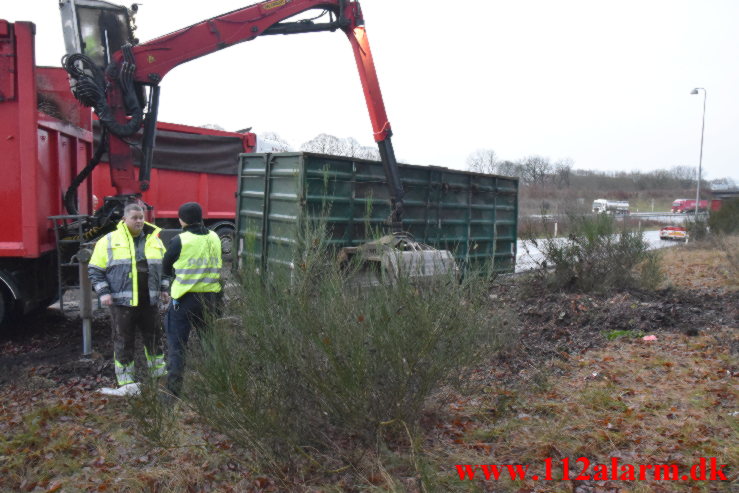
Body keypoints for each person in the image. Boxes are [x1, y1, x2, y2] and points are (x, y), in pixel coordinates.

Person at [88, 202, 168, 388]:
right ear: (125, 219)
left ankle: (159, 376)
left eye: (141, 217)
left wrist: (164, 289)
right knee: (124, 341)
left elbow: (164, 269)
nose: (139, 221)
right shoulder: (108, 240)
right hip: (122, 303)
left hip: (149, 301)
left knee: (155, 338)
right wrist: (103, 292)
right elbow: (94, 270)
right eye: (135, 218)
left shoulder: (154, 240)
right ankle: (126, 382)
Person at [162, 202, 223, 397]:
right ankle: (218, 385)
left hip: (185, 300)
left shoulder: (180, 240)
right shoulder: (215, 237)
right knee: (210, 343)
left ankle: (173, 391)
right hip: (211, 299)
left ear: (181, 220)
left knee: (177, 344)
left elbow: (165, 267)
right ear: (201, 217)